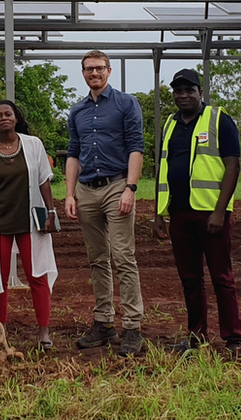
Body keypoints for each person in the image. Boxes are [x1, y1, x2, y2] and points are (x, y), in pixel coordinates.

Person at [153, 69, 241, 353]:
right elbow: (162, 168)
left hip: (210, 215)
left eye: (189, 90)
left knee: (222, 278)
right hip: (179, 214)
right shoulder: (170, 124)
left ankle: (234, 338)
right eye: (178, 91)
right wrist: (158, 213)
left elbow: (233, 165)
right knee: (190, 279)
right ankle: (197, 337)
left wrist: (220, 212)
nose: (183, 95)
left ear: (200, 92)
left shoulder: (219, 119)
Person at [65, 50, 146, 356]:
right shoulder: (77, 111)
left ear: (109, 71)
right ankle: (103, 322)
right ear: (83, 73)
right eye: (88, 69)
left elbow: (136, 147)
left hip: (116, 185)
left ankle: (133, 327)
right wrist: (70, 194)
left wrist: (131, 188)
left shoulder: (126, 103)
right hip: (87, 189)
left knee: (123, 256)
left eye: (99, 68)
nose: (94, 73)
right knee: (97, 259)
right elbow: (73, 152)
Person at [0, 100, 58, 349]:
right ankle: (1, 332)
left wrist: (50, 211)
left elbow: (44, 181)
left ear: (16, 118)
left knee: (37, 275)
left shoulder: (33, 144)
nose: (3, 118)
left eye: (8, 114)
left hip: (30, 222)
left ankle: (44, 332)